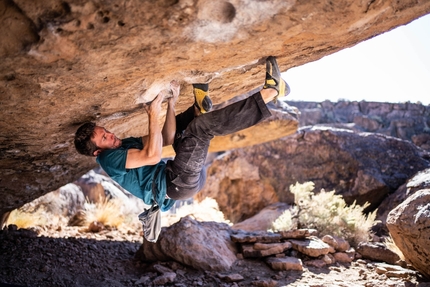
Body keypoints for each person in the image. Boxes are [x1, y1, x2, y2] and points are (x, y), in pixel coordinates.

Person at [74, 56, 290, 211]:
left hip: (183, 175)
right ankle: (270, 93)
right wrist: (153, 114)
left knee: (182, 132)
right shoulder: (108, 158)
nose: (110, 134)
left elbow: (165, 139)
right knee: (201, 129)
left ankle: (198, 108)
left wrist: (172, 104)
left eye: (106, 131)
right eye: (104, 138)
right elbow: (153, 156)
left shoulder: (123, 144)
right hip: (177, 183)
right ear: (97, 152)